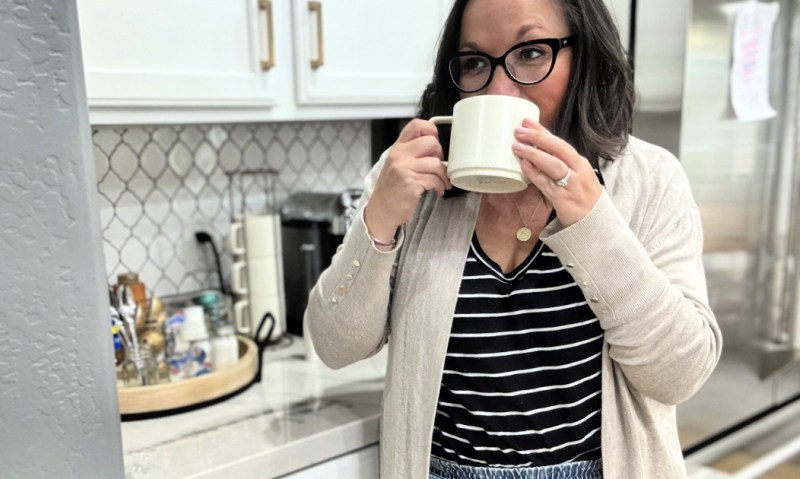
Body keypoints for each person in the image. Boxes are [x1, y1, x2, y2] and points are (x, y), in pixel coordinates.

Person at [305, 0, 722, 477]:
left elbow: (680, 375)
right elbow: (335, 346)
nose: (499, 88)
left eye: (530, 53)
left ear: (583, 57)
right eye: (476, 62)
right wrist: (378, 221)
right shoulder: (412, 182)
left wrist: (593, 223)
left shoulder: (649, 181)